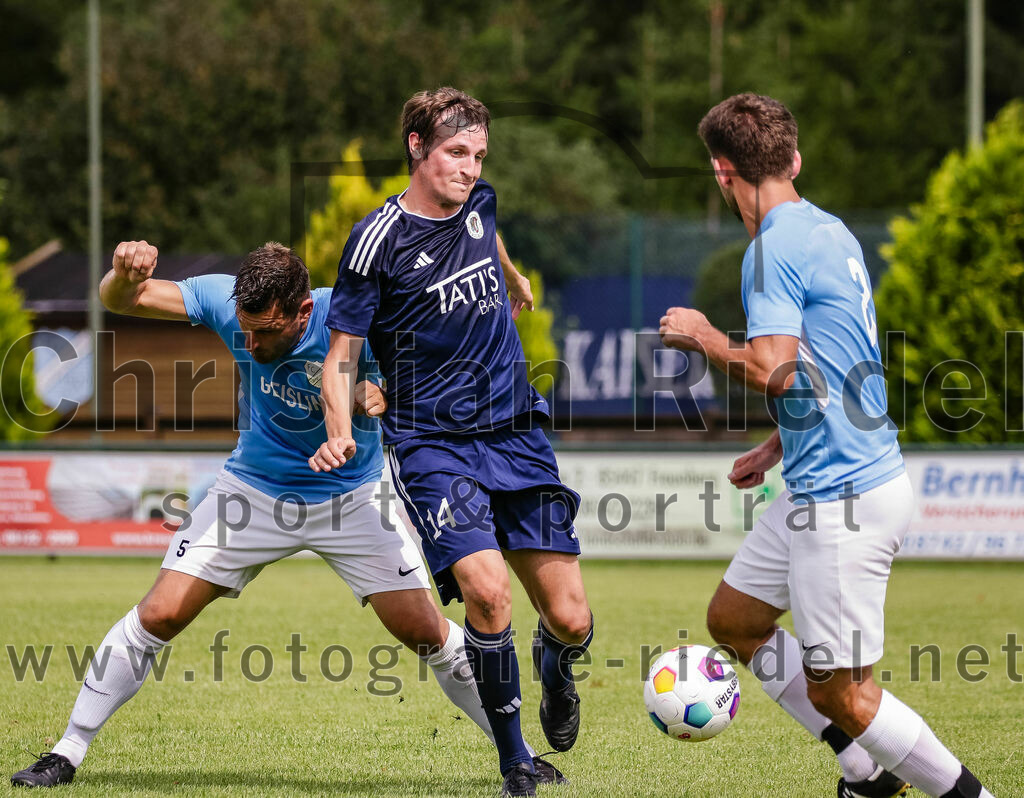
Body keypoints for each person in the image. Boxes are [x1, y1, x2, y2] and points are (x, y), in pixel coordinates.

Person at [11, 240, 561, 788]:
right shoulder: (227, 300)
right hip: (253, 490)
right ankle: (66, 752)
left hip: (352, 497)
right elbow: (123, 301)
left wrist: (381, 392)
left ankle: (520, 754)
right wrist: (121, 274)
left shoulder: (354, 314)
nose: (249, 342)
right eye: (244, 330)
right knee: (159, 614)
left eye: (265, 333)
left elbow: (425, 378)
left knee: (427, 633)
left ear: (302, 311)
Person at [659, 93, 994, 798]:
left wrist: (703, 336)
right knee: (736, 619)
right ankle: (865, 772)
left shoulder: (771, 249)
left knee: (846, 694)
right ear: (795, 159)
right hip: (822, 481)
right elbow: (834, 367)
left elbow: (775, 367)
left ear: (723, 173)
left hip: (845, 497)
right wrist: (778, 445)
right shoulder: (830, 231)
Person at [310, 87, 594, 797]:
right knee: (487, 595)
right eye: (455, 153)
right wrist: (341, 431)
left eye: (478, 155)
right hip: (432, 441)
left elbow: (484, 227)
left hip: (515, 431)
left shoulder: (478, 201)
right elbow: (341, 353)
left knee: (570, 618)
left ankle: (556, 668)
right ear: (415, 147)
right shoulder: (376, 241)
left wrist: (512, 272)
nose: (469, 169)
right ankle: (515, 764)